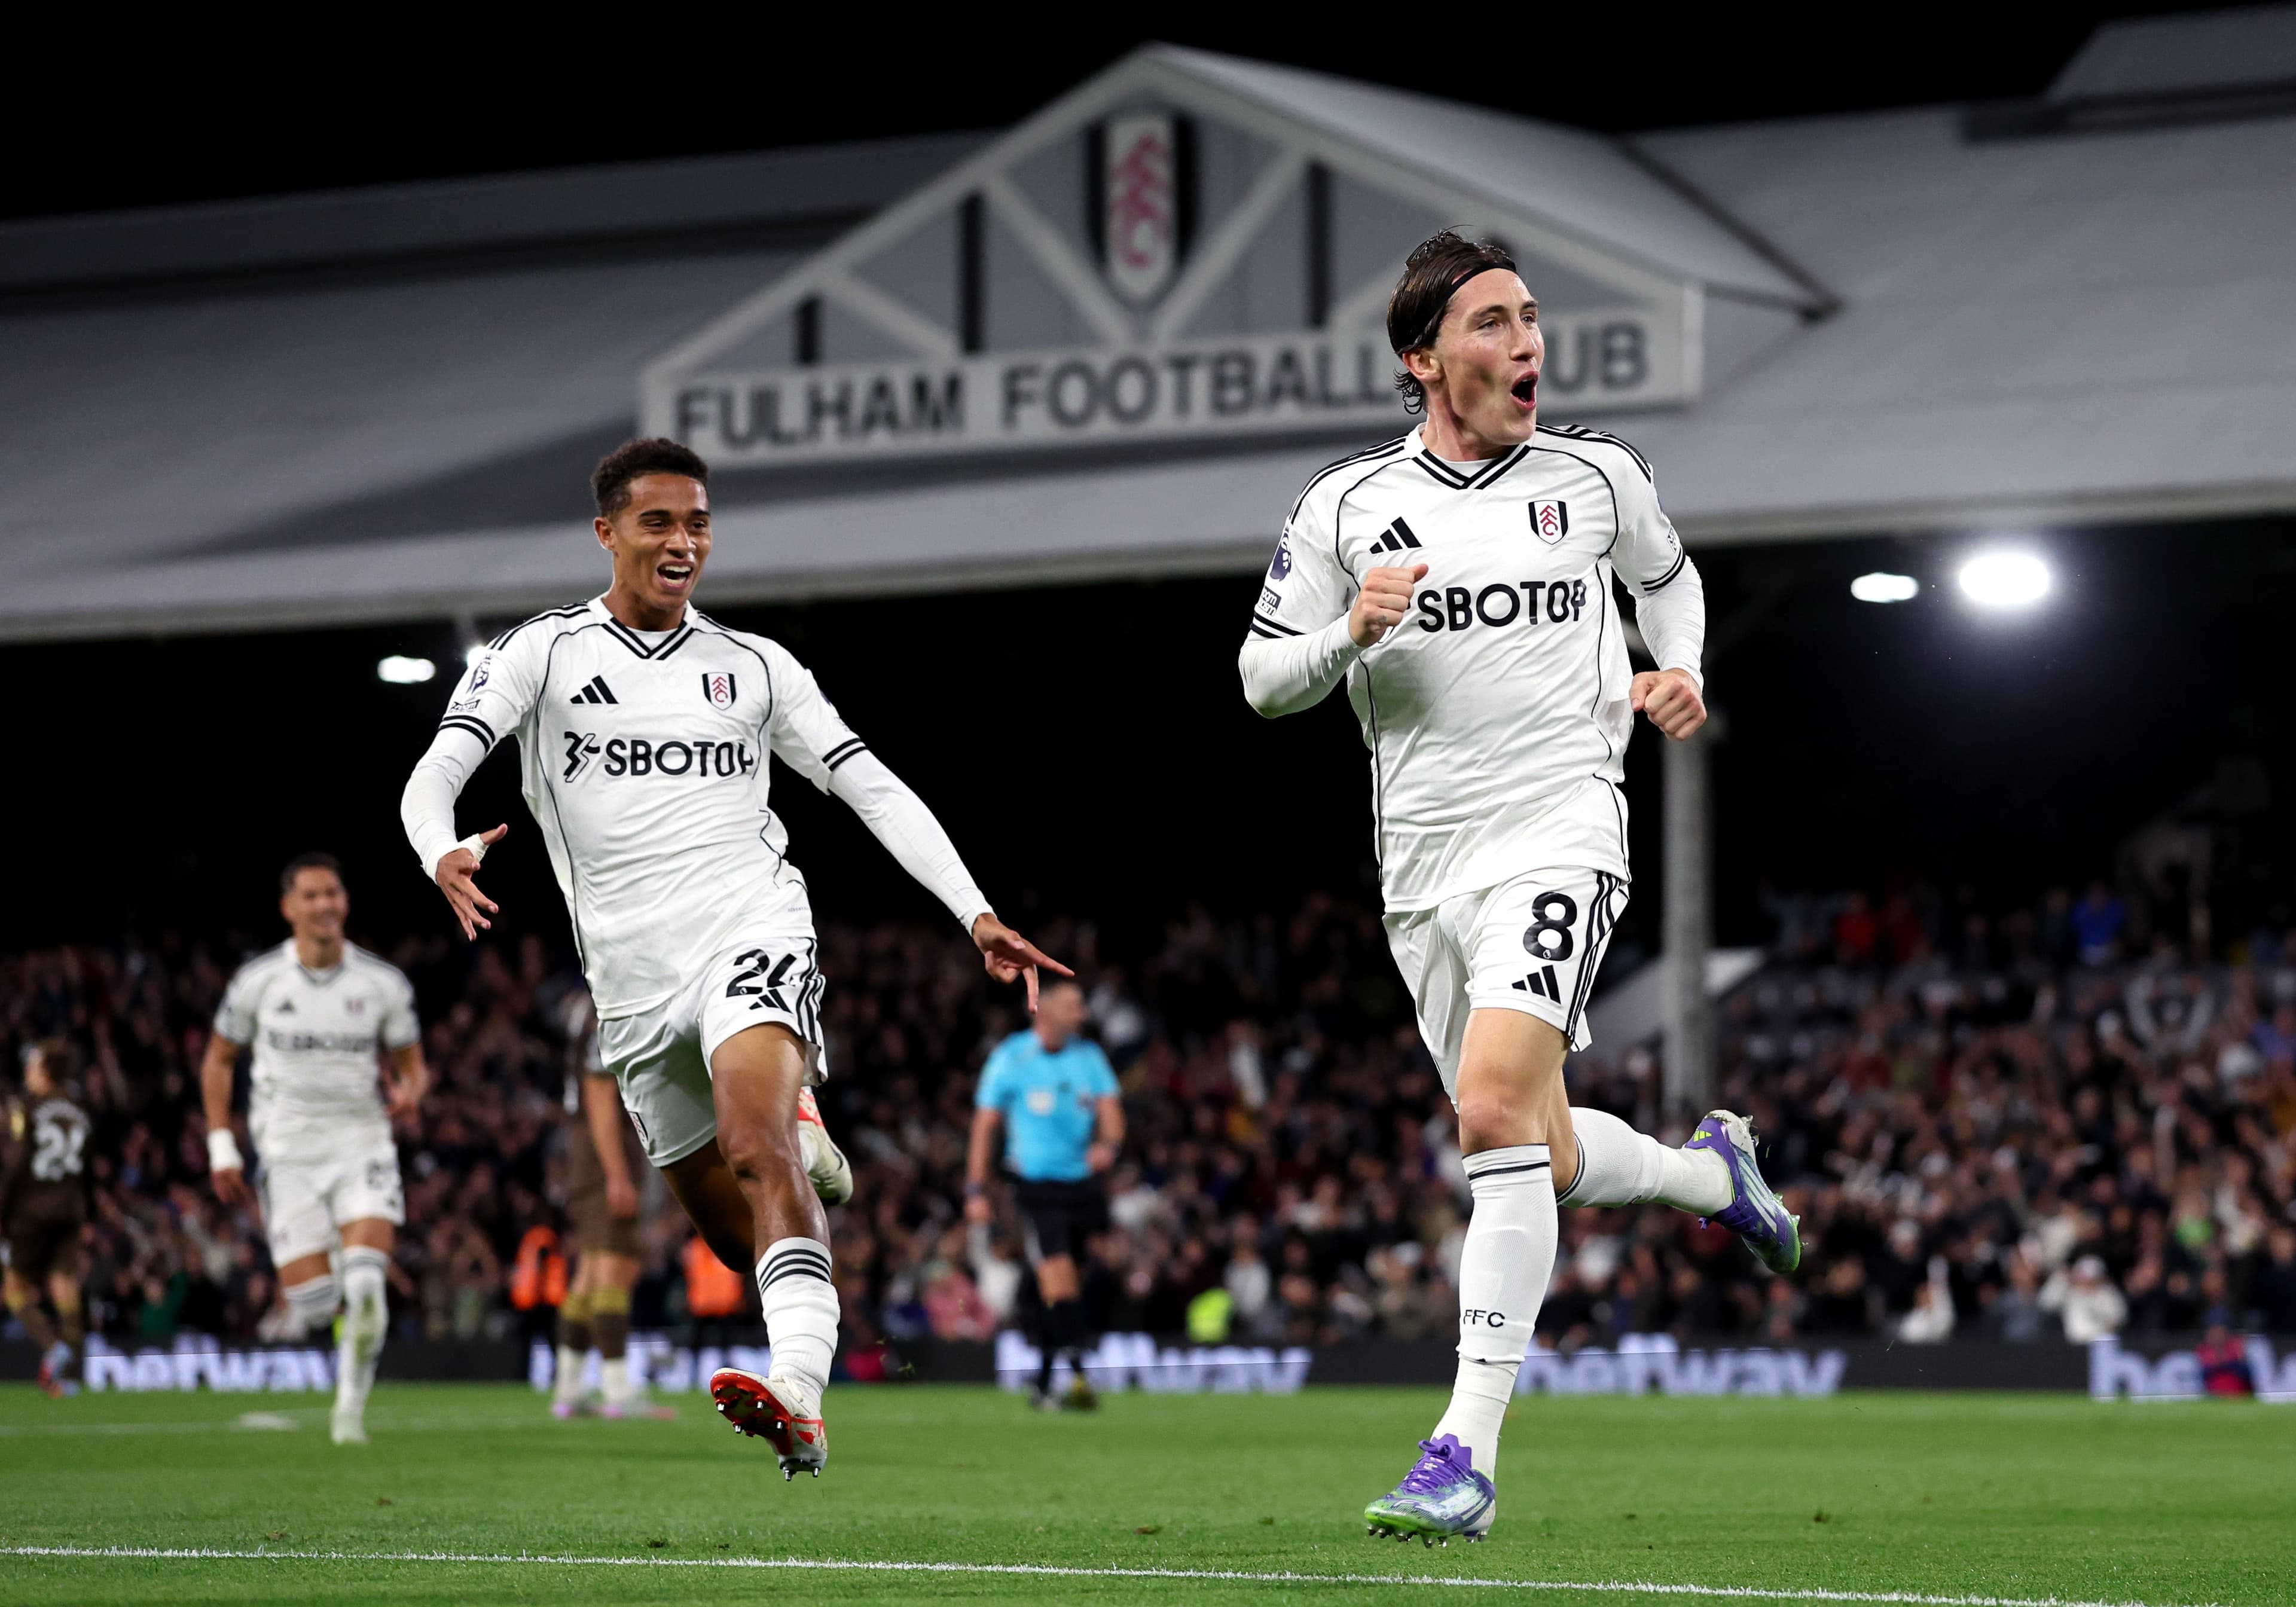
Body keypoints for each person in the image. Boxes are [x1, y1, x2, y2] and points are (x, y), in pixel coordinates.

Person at [1238, 231, 1797, 1544]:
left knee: (1488, 1109)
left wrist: (1685, 669)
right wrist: (1349, 632)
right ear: (1423, 358)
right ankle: (1715, 1180)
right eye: (1491, 324)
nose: (1527, 343)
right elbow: (1264, 682)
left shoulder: (1597, 477)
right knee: (1534, 1154)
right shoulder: (1344, 508)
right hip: (1421, 865)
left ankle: (1463, 1455)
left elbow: (1669, 578)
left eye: (1532, 318)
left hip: (1562, 832)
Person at [399, 438, 1061, 1480]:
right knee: (734, 1232)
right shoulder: (541, 653)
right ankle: (801, 1143)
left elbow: (870, 784)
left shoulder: (753, 666)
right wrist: (436, 846)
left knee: (760, 1147)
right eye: (659, 522)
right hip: (629, 981)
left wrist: (972, 910)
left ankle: (800, 1395)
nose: (682, 542)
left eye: (698, 522)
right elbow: (434, 771)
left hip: (749, 926)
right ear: (607, 531)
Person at [200, 854, 429, 1444]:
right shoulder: (259, 982)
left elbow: (413, 1066)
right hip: (288, 1154)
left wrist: (409, 1093)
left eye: (333, 893)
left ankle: (348, 1413)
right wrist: (223, 1146)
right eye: (312, 895)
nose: (325, 904)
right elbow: (219, 1060)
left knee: (367, 1290)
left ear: (345, 903)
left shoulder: (381, 984)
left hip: (362, 1144)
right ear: (289, 908)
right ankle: (331, 1252)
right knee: (314, 1301)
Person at [551, 989, 854, 1419]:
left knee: (588, 1271)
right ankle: (618, 1392)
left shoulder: (586, 1004)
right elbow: (599, 1092)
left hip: (588, 1149)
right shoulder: (610, 1001)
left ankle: (569, 1389)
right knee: (613, 1267)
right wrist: (617, 1174)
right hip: (605, 1151)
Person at [964, 980, 1123, 1409]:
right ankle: (1073, 1375)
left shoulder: (1088, 1057)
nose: (1082, 1015)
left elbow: (1112, 1114)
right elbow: (985, 1126)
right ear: (1046, 1011)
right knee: (1057, 1274)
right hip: (1035, 1186)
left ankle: (1047, 1380)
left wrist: (1107, 1146)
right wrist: (976, 1188)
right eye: (1074, 1006)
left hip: (1082, 1187)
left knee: (1063, 1283)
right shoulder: (1011, 1058)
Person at [2, 1041, 91, 1395]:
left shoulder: (27, 1107)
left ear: (46, 1072)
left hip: (32, 1213)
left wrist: (3, 1213)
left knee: (15, 1293)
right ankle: (70, 1376)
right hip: (70, 1210)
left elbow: (16, 1166)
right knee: (66, 1290)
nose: (29, 1073)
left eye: (34, 1067)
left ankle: (53, 1348)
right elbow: (88, 1168)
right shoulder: (81, 1108)